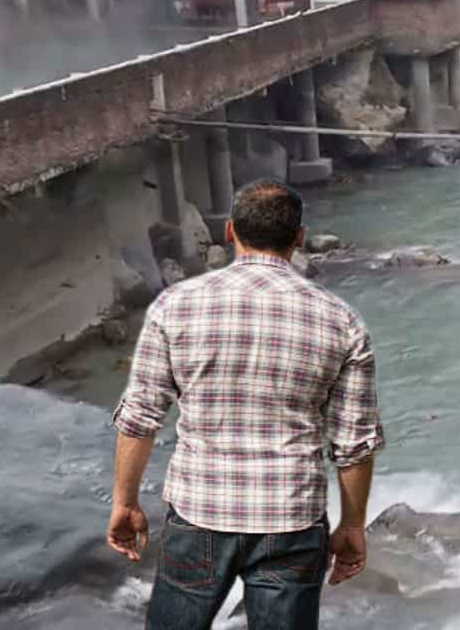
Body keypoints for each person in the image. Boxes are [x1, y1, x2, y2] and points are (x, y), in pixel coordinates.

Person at [107, 179, 384, 630]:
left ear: (231, 232)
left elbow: (141, 417)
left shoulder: (175, 306)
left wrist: (125, 501)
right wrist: (353, 525)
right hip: (291, 518)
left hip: (200, 512)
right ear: (298, 238)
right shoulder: (341, 322)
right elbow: (354, 443)